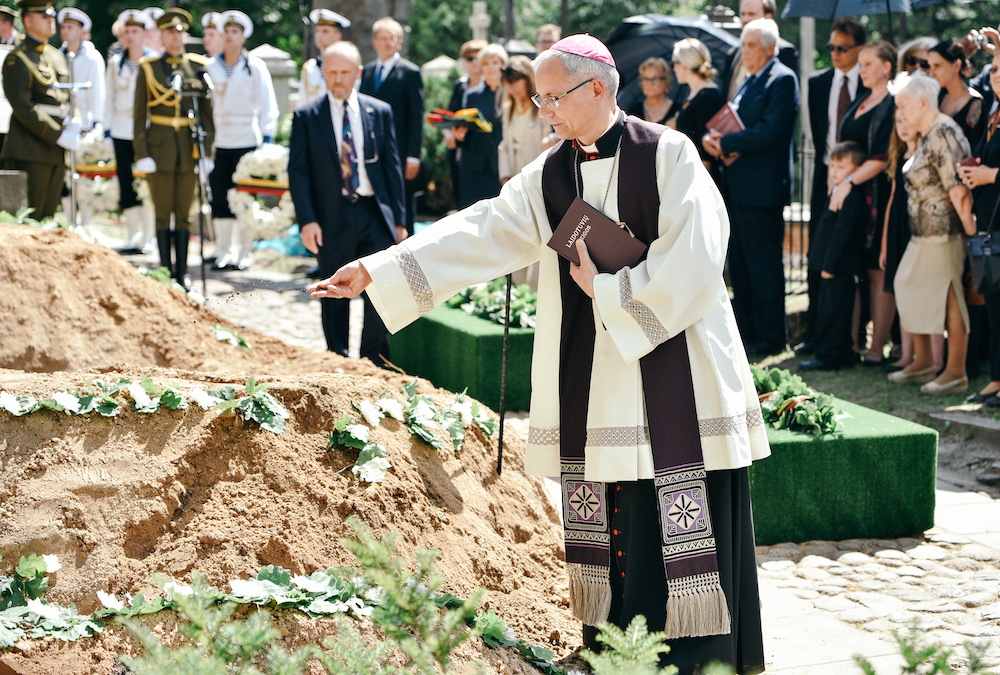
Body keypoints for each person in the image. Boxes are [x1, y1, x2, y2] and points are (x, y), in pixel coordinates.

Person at [310, 34, 769, 675]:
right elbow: (481, 229)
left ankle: (697, 660)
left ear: (598, 88)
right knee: (614, 505)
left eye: (554, 98)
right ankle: (612, 648)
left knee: (673, 506)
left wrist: (608, 290)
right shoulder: (550, 173)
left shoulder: (669, 154)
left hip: (677, 367)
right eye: (540, 99)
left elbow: (698, 256)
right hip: (596, 374)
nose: (544, 111)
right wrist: (378, 268)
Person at [289, 41, 405, 366]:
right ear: (324, 74)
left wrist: (400, 221)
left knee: (379, 288)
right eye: (332, 72)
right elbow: (298, 172)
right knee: (333, 289)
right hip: (331, 215)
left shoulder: (379, 112)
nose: (338, 79)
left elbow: (393, 169)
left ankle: (374, 361)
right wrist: (307, 220)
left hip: (374, 212)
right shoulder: (307, 116)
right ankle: (337, 357)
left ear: (358, 73)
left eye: (345, 72)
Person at [703, 18, 799, 357]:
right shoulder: (748, 80)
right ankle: (747, 332)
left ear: (770, 48)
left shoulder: (782, 79)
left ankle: (772, 337)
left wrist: (726, 143)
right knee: (741, 264)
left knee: (763, 266)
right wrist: (716, 139)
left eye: (751, 45)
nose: (744, 51)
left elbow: (769, 130)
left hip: (762, 190)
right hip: (737, 186)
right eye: (742, 45)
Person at [891, 73, 975, 395]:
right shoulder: (928, 132)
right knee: (907, 283)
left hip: (945, 234)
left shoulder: (942, 132)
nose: (900, 112)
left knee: (950, 297)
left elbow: (958, 189)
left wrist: (971, 236)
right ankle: (924, 361)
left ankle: (955, 372)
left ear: (923, 103)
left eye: (903, 105)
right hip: (924, 235)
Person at [133, 8, 215, 291]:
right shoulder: (148, 67)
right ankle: (165, 271)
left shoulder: (198, 66)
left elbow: (208, 116)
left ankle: (182, 272)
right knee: (162, 212)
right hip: (158, 150)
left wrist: (208, 153)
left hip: (189, 150)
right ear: (162, 36)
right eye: (170, 32)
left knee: (184, 213)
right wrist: (142, 153)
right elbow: (139, 115)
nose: (175, 37)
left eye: (180, 32)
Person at [800, 18, 866, 356]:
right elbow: (818, 133)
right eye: (831, 47)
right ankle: (815, 333)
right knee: (818, 251)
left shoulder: (868, 83)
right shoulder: (819, 82)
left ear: (859, 49)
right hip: (825, 175)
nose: (836, 53)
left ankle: (853, 336)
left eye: (843, 48)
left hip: (859, 179)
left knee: (848, 256)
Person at [832, 41, 896, 366]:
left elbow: (881, 158)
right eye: (861, 63)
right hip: (850, 199)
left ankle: (876, 348)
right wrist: (836, 182)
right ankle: (851, 343)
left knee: (876, 272)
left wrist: (847, 182)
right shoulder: (859, 100)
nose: (862, 69)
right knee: (851, 268)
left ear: (887, 67)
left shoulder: (892, 104)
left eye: (869, 63)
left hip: (876, 198)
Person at [207, 9, 278, 271]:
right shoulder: (210, 66)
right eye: (226, 31)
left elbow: (267, 103)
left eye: (235, 31)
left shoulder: (254, 66)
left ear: (243, 36)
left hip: (246, 139)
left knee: (245, 198)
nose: (229, 36)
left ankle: (244, 252)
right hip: (218, 140)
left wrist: (267, 138)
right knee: (220, 197)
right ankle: (223, 251)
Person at [0, 0, 78, 221]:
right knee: (27, 220)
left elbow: (68, 94)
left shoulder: (55, 56)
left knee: (47, 219)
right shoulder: (17, 57)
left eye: (52, 16)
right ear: (27, 21)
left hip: (56, 150)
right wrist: (58, 134)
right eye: (44, 17)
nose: (51, 21)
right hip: (29, 149)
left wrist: (75, 119)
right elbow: (23, 106)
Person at [800, 142, 868, 371]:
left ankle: (829, 355)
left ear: (856, 170)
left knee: (833, 312)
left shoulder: (851, 197)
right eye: (833, 166)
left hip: (838, 267)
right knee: (829, 309)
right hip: (828, 265)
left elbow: (842, 234)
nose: (835, 171)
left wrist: (829, 266)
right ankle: (841, 353)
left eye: (842, 167)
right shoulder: (836, 192)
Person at [957, 47, 1000, 405]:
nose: (995, 75)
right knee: (994, 301)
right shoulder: (994, 113)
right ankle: (996, 379)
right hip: (989, 220)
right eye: (995, 68)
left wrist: (992, 175)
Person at [360, 17, 424, 235]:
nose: (388, 43)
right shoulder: (367, 72)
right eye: (383, 38)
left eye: (393, 39)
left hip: (400, 150)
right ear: (374, 41)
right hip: (372, 149)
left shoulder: (410, 72)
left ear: (400, 42)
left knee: (402, 202)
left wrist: (413, 156)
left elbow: (416, 116)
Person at [104, 8, 156, 255]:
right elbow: (109, 99)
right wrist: (107, 131)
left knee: (147, 184)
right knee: (127, 184)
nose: (131, 36)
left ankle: (149, 235)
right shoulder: (116, 63)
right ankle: (133, 235)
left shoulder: (154, 61)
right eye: (127, 31)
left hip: (146, 130)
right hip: (121, 128)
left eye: (136, 31)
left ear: (145, 34)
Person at [879, 107, 920, 373]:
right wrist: (885, 242)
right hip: (896, 227)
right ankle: (905, 354)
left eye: (907, 121)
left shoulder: (925, 153)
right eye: (898, 122)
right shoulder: (898, 154)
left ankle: (920, 355)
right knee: (901, 290)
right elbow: (893, 197)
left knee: (915, 291)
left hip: (915, 227)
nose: (903, 127)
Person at [451, 42, 506, 208]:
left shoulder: (511, 93)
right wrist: (458, 133)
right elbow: (468, 125)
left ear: (503, 64)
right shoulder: (473, 95)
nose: (491, 68)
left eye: (495, 63)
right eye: (486, 63)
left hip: (501, 164)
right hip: (473, 162)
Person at [723, 0, 797, 101]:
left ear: (768, 17)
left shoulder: (784, 52)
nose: (745, 19)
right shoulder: (734, 52)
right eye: (743, 14)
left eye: (751, 14)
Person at [671, 38, 723, 181]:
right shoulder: (695, 92)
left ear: (684, 64)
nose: (673, 68)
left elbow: (707, 152)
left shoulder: (706, 96)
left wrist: (697, 184)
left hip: (700, 177)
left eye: (674, 63)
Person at [445, 39, 486, 208]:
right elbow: (450, 113)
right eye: (470, 58)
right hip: (460, 149)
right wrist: (448, 133)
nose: (474, 62)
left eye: (478, 57)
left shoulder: (491, 86)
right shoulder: (460, 85)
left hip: (483, 152)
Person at [499, 55, 552, 184]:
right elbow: (505, 145)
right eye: (508, 84)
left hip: (540, 175)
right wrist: (505, 175)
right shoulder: (508, 108)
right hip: (516, 176)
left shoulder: (542, 106)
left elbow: (548, 141)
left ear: (528, 79)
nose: (512, 89)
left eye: (516, 82)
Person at [927, 39, 987, 151]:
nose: (931, 73)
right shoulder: (939, 97)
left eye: (937, 66)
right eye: (930, 66)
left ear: (956, 65)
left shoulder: (975, 103)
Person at [57, 7, 104, 132]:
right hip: (61, 119)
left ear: (81, 31)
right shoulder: (57, 55)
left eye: (70, 27)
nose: (65, 31)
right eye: (63, 27)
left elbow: (97, 92)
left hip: (84, 121)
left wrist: (97, 121)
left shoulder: (92, 57)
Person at [295, 8, 349, 110]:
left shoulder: (348, 66)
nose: (319, 35)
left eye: (325, 31)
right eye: (317, 31)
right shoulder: (310, 67)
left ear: (338, 35)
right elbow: (302, 102)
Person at [625, 57, 674, 125]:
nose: (650, 83)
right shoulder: (634, 111)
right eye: (646, 79)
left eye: (655, 78)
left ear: (666, 81)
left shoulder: (676, 112)